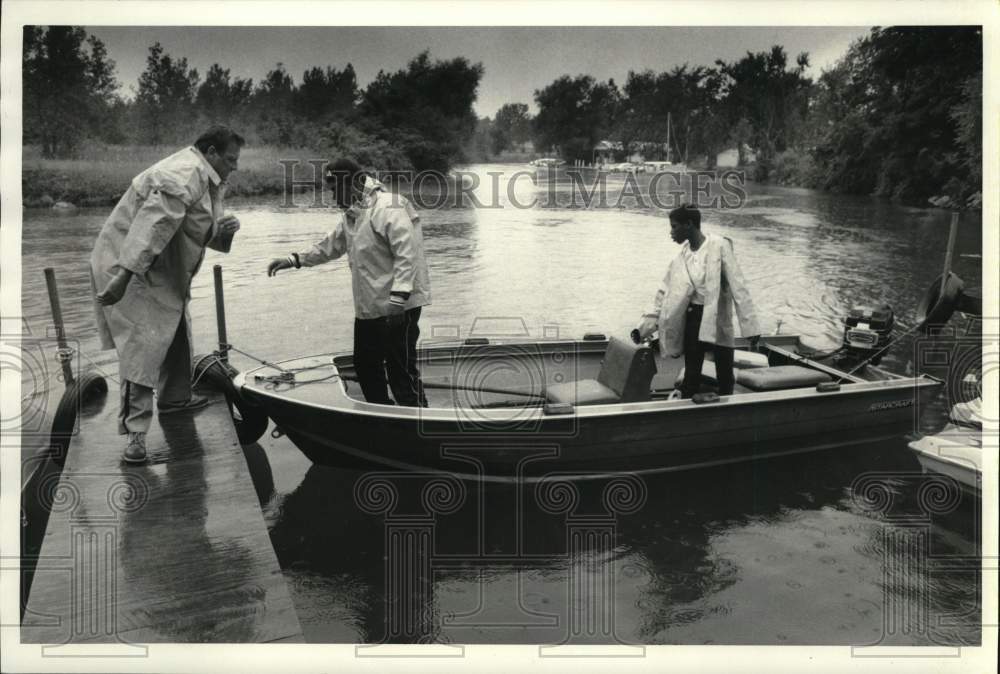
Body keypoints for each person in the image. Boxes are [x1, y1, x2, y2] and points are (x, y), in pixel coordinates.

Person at [90, 125, 244, 463]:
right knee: (141, 348)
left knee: (175, 332)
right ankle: (135, 436)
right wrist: (122, 278)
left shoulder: (210, 182)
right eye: (230, 159)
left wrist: (226, 232)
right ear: (211, 153)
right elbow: (152, 227)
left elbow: (202, 232)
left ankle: (175, 399)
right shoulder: (183, 173)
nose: (235, 166)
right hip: (130, 263)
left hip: (165, 269)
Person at [267, 158, 430, 407]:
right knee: (365, 366)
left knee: (401, 372)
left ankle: (419, 421)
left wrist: (398, 300)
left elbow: (407, 254)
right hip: (369, 307)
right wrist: (294, 260)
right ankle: (383, 417)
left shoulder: (388, 206)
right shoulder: (353, 212)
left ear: (353, 183)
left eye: (334, 188)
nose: (332, 196)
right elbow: (331, 245)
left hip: (399, 306)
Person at [635, 204, 760, 398]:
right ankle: (688, 413)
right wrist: (643, 328)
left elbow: (739, 286)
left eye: (674, 226)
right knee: (692, 372)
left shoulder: (719, 246)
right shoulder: (680, 258)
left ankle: (728, 412)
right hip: (693, 318)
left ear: (689, 224)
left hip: (717, 317)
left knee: (725, 373)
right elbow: (664, 295)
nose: (671, 232)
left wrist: (751, 328)